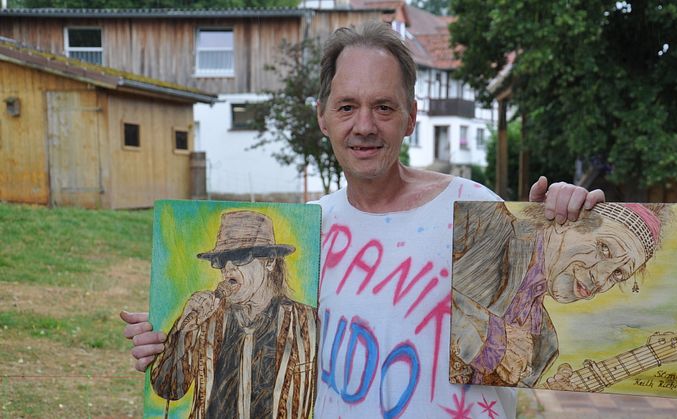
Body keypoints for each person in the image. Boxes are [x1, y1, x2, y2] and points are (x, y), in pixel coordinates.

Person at [122, 21, 605, 418]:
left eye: (384, 107)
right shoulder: (311, 230)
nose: (365, 125)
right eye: (347, 106)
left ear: (411, 116)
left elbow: (542, 347)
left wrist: (564, 224)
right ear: (323, 117)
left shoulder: (474, 210)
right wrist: (166, 334)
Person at [450, 202, 664, 389]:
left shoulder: (545, 342)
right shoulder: (483, 219)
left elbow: (492, 401)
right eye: (604, 249)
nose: (600, 280)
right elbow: (420, 287)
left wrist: (550, 395)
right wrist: (493, 341)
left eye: (618, 274)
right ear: (568, 223)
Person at [145, 210, 316, 418]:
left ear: (270, 261)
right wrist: (183, 332)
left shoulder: (308, 322)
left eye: (239, 257)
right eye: (221, 260)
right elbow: (167, 390)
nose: (227, 268)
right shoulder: (206, 320)